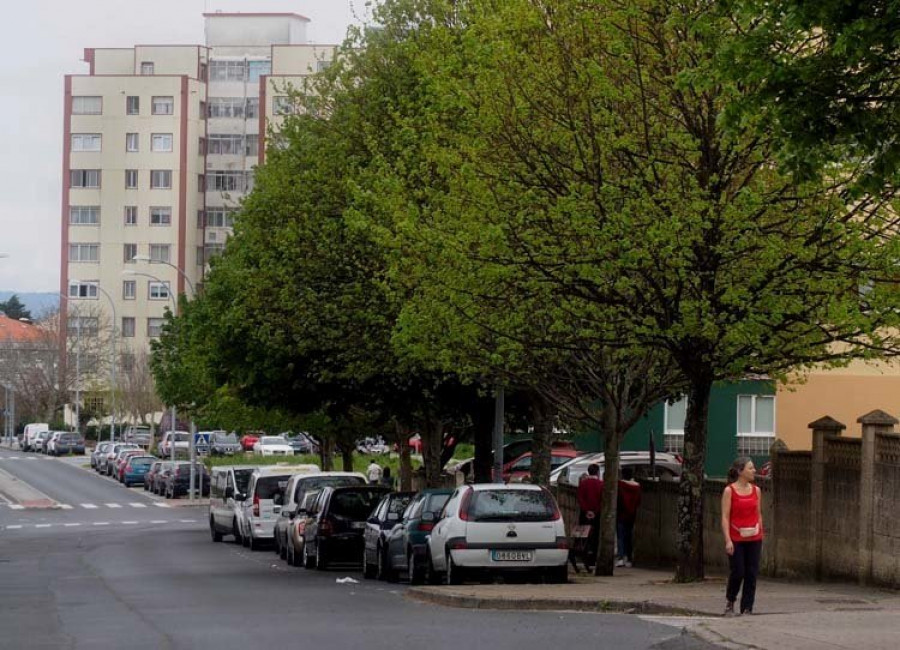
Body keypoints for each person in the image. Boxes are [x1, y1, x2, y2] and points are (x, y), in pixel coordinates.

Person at [721, 457, 764, 617]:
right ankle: (730, 600)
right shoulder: (729, 491)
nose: (754, 471)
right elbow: (725, 517)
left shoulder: (756, 490)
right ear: (740, 471)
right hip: (736, 538)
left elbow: (758, 513)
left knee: (752, 573)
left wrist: (760, 531)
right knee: (738, 571)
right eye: (750, 468)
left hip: (754, 536)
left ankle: (747, 607)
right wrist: (727, 540)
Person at [576, 463, 604, 568]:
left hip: (584, 513)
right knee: (595, 535)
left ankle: (584, 556)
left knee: (584, 535)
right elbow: (602, 500)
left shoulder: (583, 484)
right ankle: (593, 557)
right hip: (597, 514)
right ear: (597, 472)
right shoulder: (601, 484)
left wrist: (586, 510)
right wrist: (595, 511)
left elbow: (580, 498)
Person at [616, 466, 642, 568]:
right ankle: (629, 558)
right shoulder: (637, 487)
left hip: (621, 514)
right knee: (629, 536)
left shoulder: (620, 485)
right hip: (632, 515)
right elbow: (638, 501)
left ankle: (621, 557)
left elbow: (618, 499)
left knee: (620, 537)